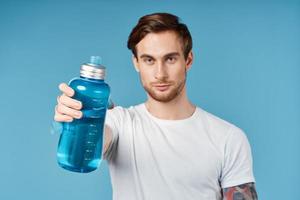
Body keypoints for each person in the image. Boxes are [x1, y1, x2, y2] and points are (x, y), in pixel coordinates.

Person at [54, 13, 258, 200]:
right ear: (136, 63)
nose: (160, 73)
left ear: (188, 60)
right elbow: (92, 144)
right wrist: (76, 118)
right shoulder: (119, 122)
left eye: (170, 59)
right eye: (149, 60)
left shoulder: (228, 138)